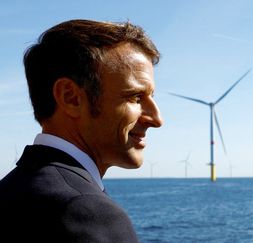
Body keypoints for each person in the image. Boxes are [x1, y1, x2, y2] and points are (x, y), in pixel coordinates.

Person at [0, 19, 163, 242]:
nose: (156, 119)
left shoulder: (12, 191)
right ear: (71, 98)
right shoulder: (85, 212)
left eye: (151, 97)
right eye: (135, 97)